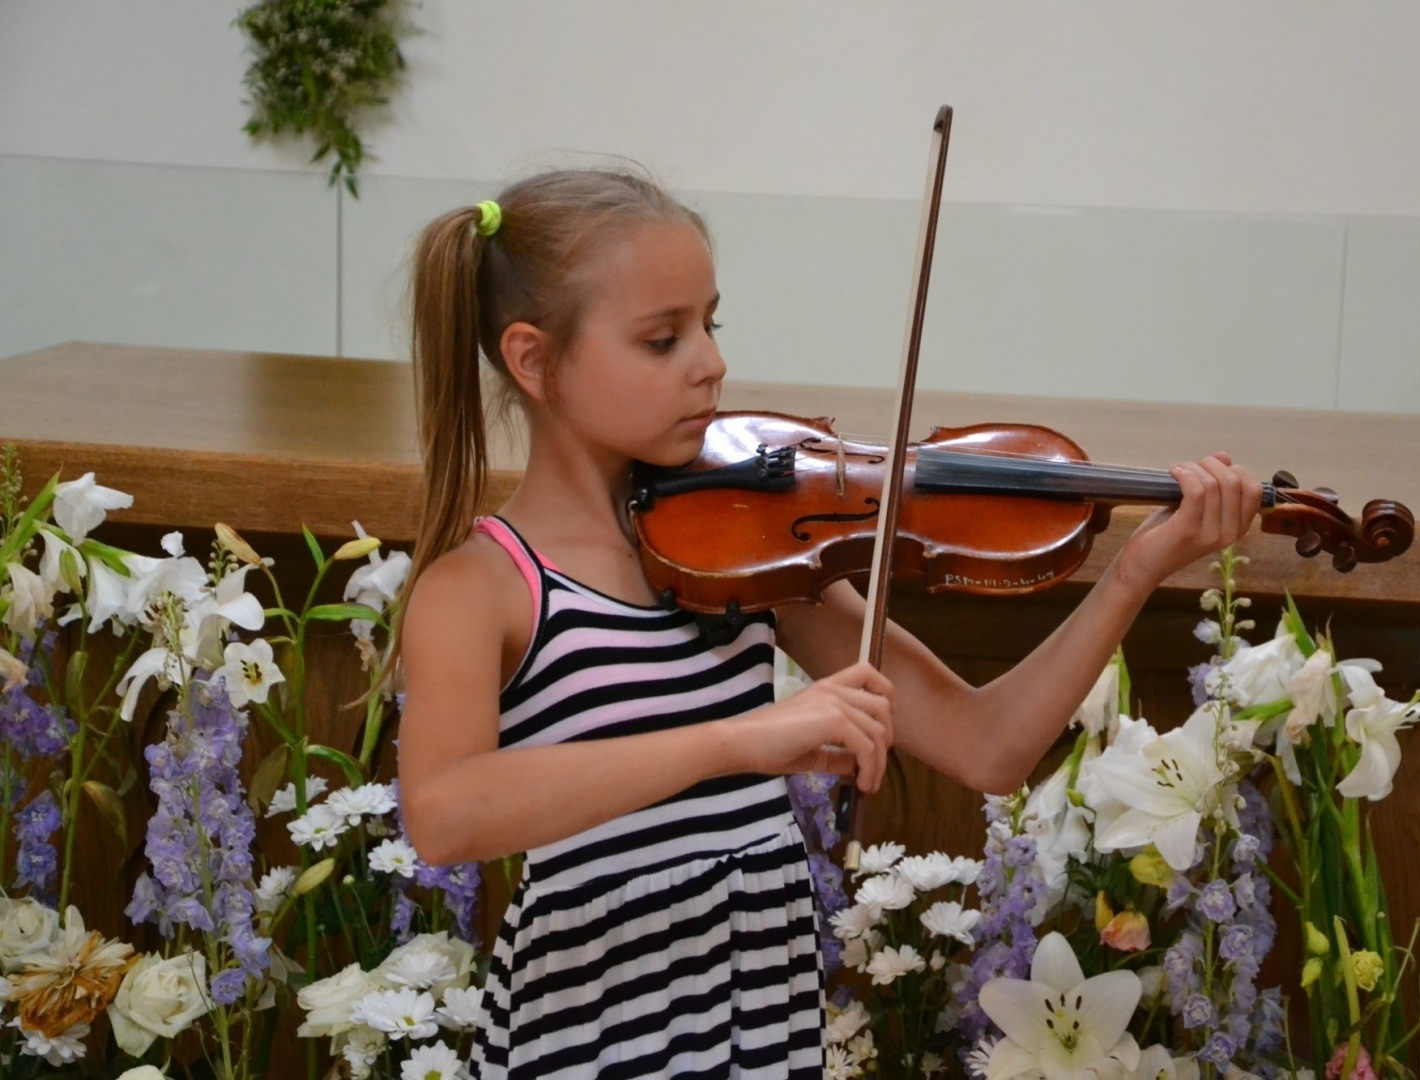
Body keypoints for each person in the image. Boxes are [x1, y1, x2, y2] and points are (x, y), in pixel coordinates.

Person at [392, 169, 1263, 1080]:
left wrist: (1133, 573)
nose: (710, 364)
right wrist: (737, 740)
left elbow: (989, 746)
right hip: (588, 1045)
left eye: (710, 324)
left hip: (758, 1040)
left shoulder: (750, 553)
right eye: (662, 339)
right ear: (533, 361)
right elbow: (445, 816)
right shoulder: (484, 588)